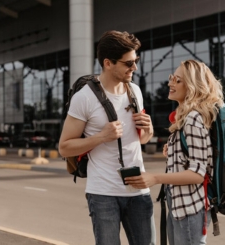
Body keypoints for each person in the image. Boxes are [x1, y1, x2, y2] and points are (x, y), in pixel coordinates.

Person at [58, 30, 156, 245]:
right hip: (103, 194)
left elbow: (141, 140)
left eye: (136, 61)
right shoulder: (84, 98)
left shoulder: (135, 92)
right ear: (108, 63)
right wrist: (102, 136)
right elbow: (64, 147)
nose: (135, 68)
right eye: (128, 63)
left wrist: (148, 130)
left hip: (139, 191)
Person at [125, 60, 224, 245]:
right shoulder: (187, 117)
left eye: (178, 81)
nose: (170, 83)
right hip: (181, 207)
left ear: (193, 86)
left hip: (190, 208)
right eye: (172, 78)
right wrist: (175, 152)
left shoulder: (194, 118)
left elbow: (197, 174)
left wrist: (155, 178)